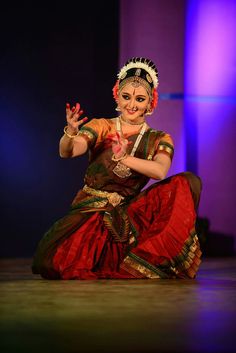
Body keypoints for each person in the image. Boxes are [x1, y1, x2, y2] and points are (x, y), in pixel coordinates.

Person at [32, 57, 202, 280]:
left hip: (128, 212)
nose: (132, 104)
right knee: (60, 262)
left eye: (140, 99)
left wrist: (124, 158)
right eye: (126, 97)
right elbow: (69, 152)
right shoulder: (102, 126)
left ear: (151, 102)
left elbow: (160, 171)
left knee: (186, 182)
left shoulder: (159, 138)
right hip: (92, 208)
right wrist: (71, 133)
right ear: (117, 96)